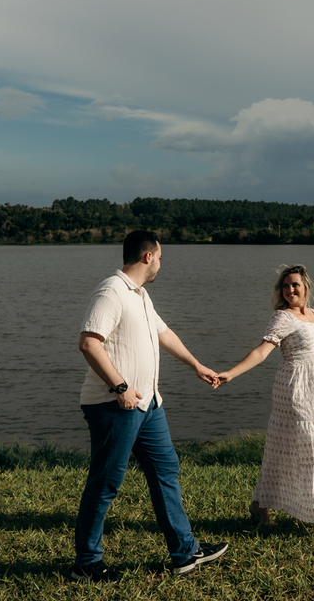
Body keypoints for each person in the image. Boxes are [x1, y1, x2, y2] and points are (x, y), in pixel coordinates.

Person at [70, 231, 228, 582]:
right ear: (147, 257)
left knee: (165, 470)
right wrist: (121, 387)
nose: (160, 263)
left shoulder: (140, 295)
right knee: (106, 482)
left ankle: (185, 552)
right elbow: (89, 343)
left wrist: (197, 365)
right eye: (159, 257)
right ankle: (86, 563)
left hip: (148, 406)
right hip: (115, 405)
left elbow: (164, 333)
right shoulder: (112, 291)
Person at [216, 264, 314, 526]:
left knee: (308, 447)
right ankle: (290, 508)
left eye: (295, 285)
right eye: (285, 285)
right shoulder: (282, 317)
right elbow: (261, 352)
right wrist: (231, 373)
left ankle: (269, 505)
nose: (290, 290)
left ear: (305, 287)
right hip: (295, 389)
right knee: (308, 446)